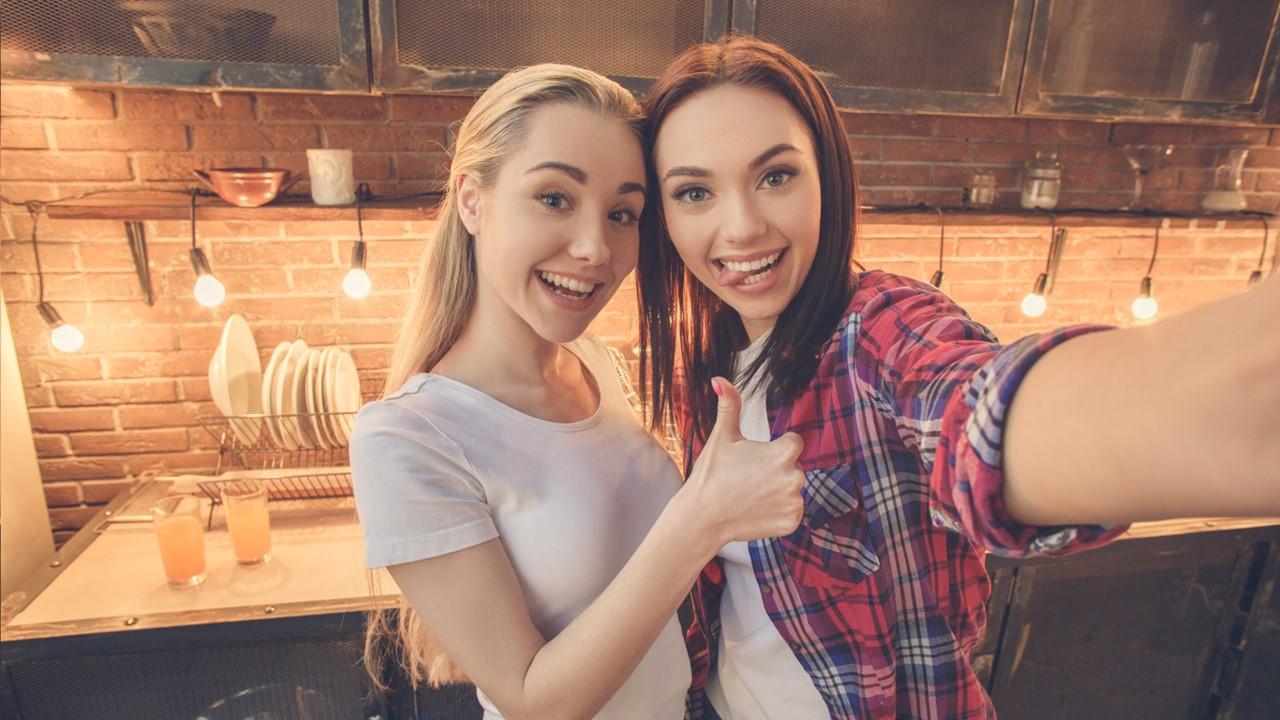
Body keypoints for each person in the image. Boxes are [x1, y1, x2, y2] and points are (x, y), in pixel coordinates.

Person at [636, 36, 1280, 719]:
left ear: (827, 174)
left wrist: (1203, 403)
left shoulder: (877, 328)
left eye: (775, 176)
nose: (740, 227)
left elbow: (974, 412)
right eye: (695, 191)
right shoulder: (706, 365)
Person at [349, 63, 807, 720]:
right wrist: (703, 519)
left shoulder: (594, 365)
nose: (596, 248)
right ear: (472, 200)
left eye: (623, 213)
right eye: (555, 198)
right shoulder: (407, 436)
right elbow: (536, 700)